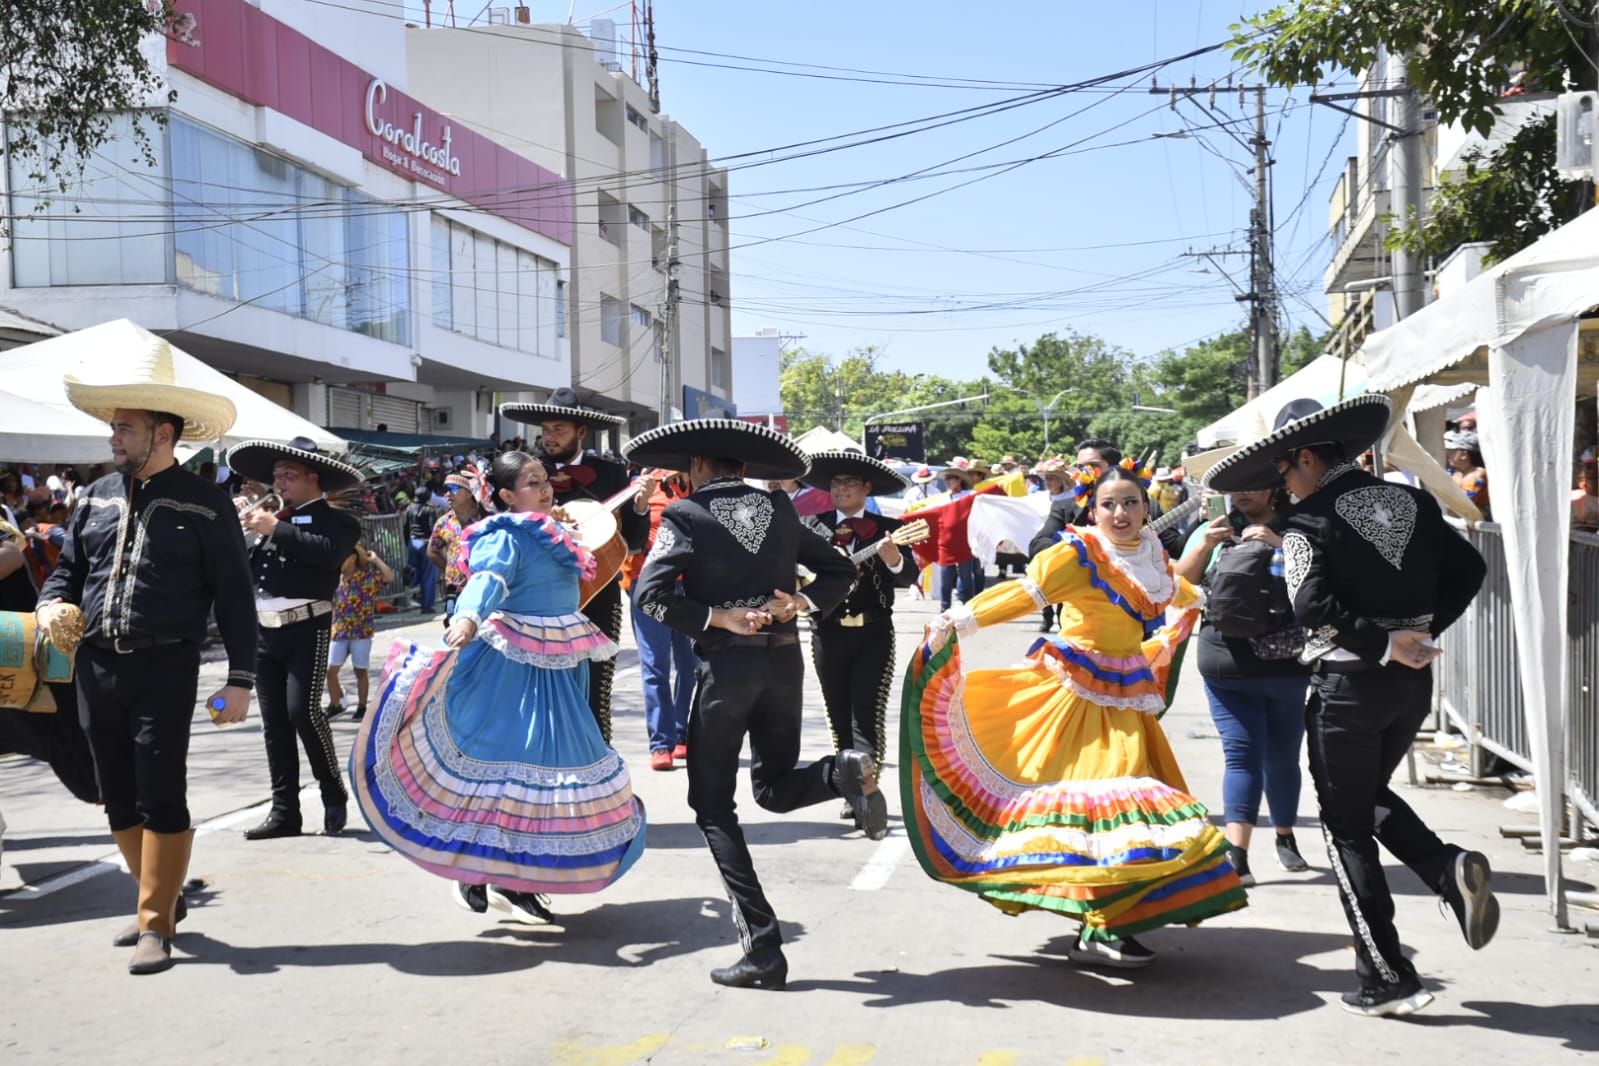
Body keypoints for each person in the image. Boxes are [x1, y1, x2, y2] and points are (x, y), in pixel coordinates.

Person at [1207, 394, 1494, 1018]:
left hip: (1347, 689)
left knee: (1346, 829)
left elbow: (1312, 610)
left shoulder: (1308, 524)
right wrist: (1416, 635)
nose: (1284, 483)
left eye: (1285, 470)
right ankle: (1445, 867)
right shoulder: (1415, 501)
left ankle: (1387, 978)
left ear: (1307, 458)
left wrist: (1386, 643)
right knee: (1364, 800)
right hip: (1409, 688)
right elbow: (1470, 570)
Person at [906, 466, 1246, 969]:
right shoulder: (1080, 553)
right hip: (1075, 695)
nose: (1120, 513)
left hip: (1127, 697)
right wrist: (961, 619)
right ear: (1094, 510)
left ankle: (1111, 922)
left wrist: (1206, 602)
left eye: (1130, 502)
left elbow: (1176, 592)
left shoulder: (1151, 553)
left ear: (1145, 507)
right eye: (1108, 504)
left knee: (1132, 813)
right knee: (1107, 806)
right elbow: (1026, 593)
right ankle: (1103, 925)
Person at [628, 418, 882, 990]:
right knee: (772, 788)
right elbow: (841, 568)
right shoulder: (783, 510)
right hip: (784, 664)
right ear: (744, 467)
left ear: (696, 468)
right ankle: (839, 771)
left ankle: (764, 948)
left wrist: (718, 616)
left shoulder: (685, 514)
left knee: (713, 806)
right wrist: (802, 602)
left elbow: (649, 594)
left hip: (726, 669)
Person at [352, 450, 645, 926]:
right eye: (533, 482)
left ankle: (513, 876)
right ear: (507, 496)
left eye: (545, 479)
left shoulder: (558, 531)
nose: (546, 487)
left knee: (556, 769)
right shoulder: (505, 533)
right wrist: (467, 617)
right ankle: (483, 870)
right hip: (512, 665)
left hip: (560, 664)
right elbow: (487, 578)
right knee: (511, 767)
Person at [36, 342, 256, 975]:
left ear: (162, 433)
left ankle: (155, 922)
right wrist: (53, 604)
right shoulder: (96, 495)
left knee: (162, 790)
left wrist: (241, 679)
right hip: (95, 666)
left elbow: (236, 598)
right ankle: (158, 898)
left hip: (166, 666)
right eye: (113, 427)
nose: (113, 437)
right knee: (117, 794)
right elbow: (68, 572)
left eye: (123, 427)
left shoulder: (205, 502)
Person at [229, 437, 364, 841]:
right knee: (274, 724)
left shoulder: (338, 521)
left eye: (288, 475)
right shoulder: (267, 520)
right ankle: (284, 810)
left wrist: (277, 527)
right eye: (276, 476)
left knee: (302, 711)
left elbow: (326, 555)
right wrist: (236, 528)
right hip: (264, 630)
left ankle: (332, 791)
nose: (279, 483)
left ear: (312, 478)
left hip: (309, 626)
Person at [1174, 487, 1311, 885]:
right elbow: (1178, 584)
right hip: (1230, 662)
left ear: (1275, 489)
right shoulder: (1211, 529)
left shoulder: (1299, 529)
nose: (1243, 494)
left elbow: (1324, 579)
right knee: (1243, 756)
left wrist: (1280, 544)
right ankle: (1240, 855)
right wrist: (1205, 543)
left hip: (1285, 663)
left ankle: (1284, 838)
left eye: (1253, 485)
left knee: (1283, 757)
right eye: (1237, 488)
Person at [501, 388, 649, 743]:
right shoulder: (523, 471)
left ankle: (601, 779)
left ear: (582, 432)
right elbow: (505, 524)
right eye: (546, 430)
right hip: (540, 598)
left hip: (598, 596)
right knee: (539, 693)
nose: (549, 438)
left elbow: (636, 543)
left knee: (596, 693)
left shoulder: (611, 473)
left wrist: (640, 507)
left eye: (559, 430)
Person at [799, 451, 918, 791]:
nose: (841, 489)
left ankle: (865, 786)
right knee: (838, 715)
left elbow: (908, 577)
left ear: (867, 487)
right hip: (827, 633)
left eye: (850, 482)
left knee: (866, 714)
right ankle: (850, 782)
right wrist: (807, 575)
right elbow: (790, 569)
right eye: (836, 482)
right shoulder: (810, 527)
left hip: (874, 633)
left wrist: (894, 560)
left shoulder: (890, 530)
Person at [621, 467, 700, 771]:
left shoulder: (698, 488)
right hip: (650, 583)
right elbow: (629, 537)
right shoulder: (641, 487)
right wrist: (640, 504)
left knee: (690, 664)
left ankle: (682, 733)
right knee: (655, 665)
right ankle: (661, 742)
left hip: (692, 586)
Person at [325, 541, 393, 721]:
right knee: (331, 671)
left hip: (361, 632)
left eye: (344, 558)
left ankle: (362, 706)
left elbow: (388, 577)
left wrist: (376, 560)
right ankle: (336, 704)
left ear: (353, 558)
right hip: (339, 632)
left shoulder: (367, 578)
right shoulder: (334, 580)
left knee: (360, 671)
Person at [1027, 437, 1122, 556]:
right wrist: (1078, 546)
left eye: (1093, 465)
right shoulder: (1064, 508)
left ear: (1114, 469)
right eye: (1081, 467)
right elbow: (1037, 545)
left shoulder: (1147, 507)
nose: (1086, 471)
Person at [428, 465, 483, 626]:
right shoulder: (444, 522)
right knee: (455, 633)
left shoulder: (485, 518)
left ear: (468, 492)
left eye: (453, 489)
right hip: (455, 590)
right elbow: (432, 551)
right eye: (445, 489)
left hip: (482, 586)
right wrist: (450, 569)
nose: (447, 494)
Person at [936, 460, 984, 610]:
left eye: (951, 479)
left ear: (959, 480)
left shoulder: (971, 495)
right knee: (946, 574)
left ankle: (966, 604)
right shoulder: (943, 498)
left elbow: (981, 512)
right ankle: (944, 606)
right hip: (946, 541)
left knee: (965, 573)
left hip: (965, 540)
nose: (948, 482)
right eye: (946, 479)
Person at [403, 489, 442, 612]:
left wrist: (407, 543)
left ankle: (412, 580)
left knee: (414, 569)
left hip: (412, 542)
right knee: (429, 575)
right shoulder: (430, 510)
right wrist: (436, 546)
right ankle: (426, 605)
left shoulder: (408, 509)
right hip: (426, 543)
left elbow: (405, 527)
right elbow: (433, 529)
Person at [1444, 429, 1490, 520]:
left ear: (1464, 455)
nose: (1448, 455)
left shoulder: (1479, 474)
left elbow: (1465, 504)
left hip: (1478, 525)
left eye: (1452, 452)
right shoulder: (1452, 472)